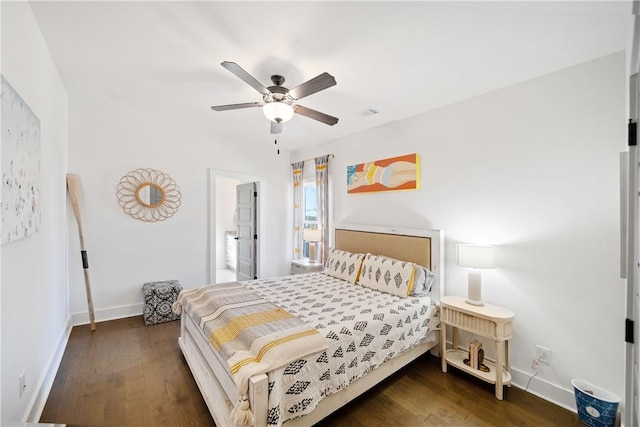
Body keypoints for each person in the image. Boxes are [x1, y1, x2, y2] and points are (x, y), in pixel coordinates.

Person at [347, 160, 416, 192]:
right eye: (356, 180)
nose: (357, 177)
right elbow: (349, 188)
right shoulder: (363, 181)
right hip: (387, 180)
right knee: (413, 176)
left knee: (415, 167)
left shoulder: (366, 166)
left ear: (355, 172)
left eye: (355, 175)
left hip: (389, 168)